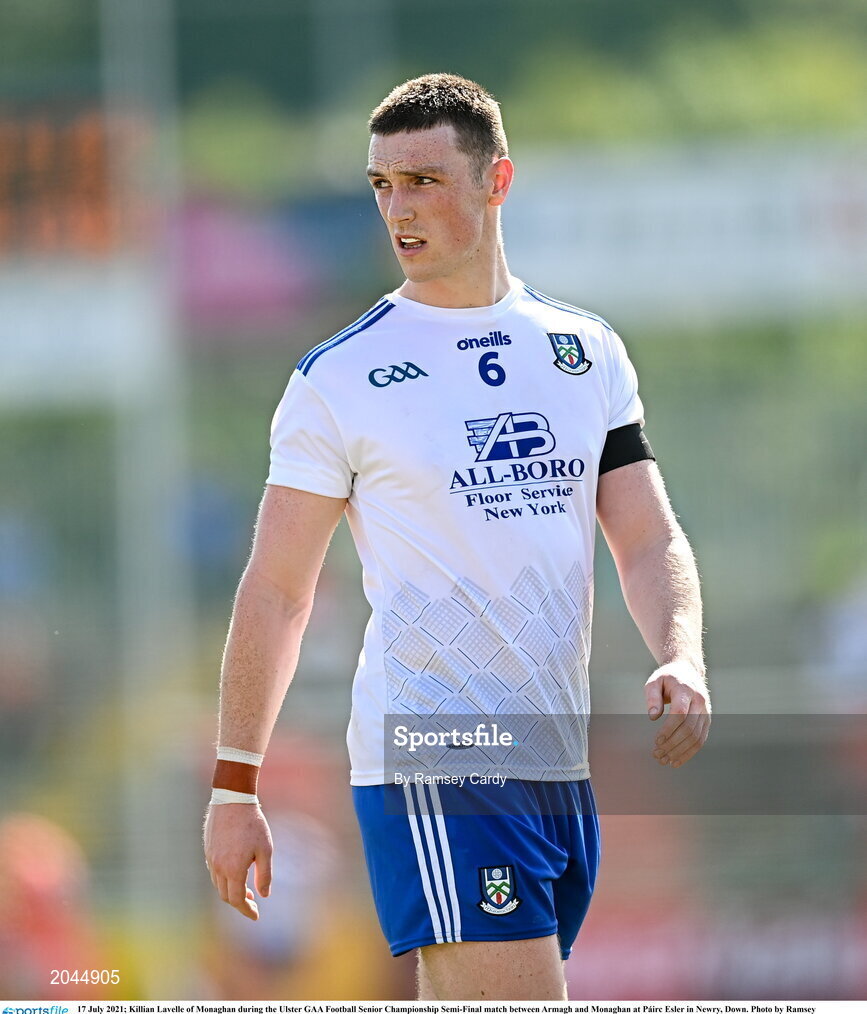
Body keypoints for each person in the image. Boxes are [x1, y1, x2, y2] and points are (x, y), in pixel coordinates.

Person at [203, 72, 710, 1001]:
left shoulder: (582, 352)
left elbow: (647, 538)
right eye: (381, 185)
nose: (398, 207)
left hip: (552, 754)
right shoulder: (338, 379)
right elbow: (277, 589)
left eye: (424, 180)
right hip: (434, 747)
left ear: (496, 182)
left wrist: (680, 653)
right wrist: (235, 786)